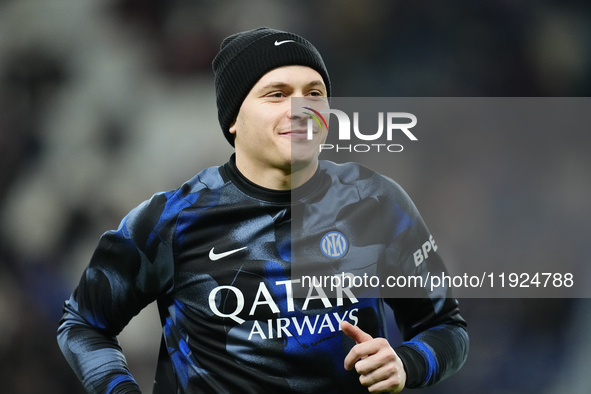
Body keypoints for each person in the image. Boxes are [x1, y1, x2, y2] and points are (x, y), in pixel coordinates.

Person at [58, 27, 468, 394]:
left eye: (315, 93)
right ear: (234, 118)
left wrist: (407, 363)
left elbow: (446, 328)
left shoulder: (376, 201)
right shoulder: (170, 219)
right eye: (277, 94)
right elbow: (82, 325)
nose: (301, 108)